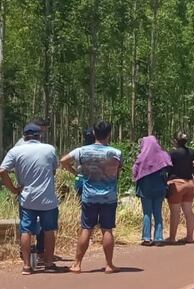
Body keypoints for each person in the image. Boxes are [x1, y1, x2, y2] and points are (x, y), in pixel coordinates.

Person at [60, 121, 122, 274]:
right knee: (107, 230)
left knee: (86, 229)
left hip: (89, 196)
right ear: (109, 134)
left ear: (94, 133)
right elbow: (118, 172)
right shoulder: (116, 153)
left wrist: (76, 173)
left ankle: (77, 264)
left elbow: (63, 161)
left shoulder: (81, 151)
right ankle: (109, 264)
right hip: (109, 196)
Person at [0, 123, 59, 275]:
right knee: (48, 230)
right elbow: (53, 170)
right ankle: (48, 262)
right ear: (39, 135)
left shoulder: (16, 151)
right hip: (48, 199)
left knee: (26, 230)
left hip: (27, 198)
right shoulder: (49, 149)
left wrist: (13, 189)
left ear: (24, 136)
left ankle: (26, 266)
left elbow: (2, 170)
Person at [14, 118, 50, 263]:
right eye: (44, 129)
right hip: (34, 191)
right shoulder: (24, 146)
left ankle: (33, 254)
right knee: (36, 224)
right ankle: (35, 254)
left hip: (26, 191)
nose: (45, 132)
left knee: (29, 225)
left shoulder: (19, 146)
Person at [133, 136, 171, 246]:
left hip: (145, 189)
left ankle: (146, 238)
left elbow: (134, 173)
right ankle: (159, 238)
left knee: (147, 213)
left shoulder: (141, 157)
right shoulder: (164, 155)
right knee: (158, 212)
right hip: (160, 189)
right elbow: (168, 168)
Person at [166, 132, 194, 244]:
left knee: (175, 212)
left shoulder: (172, 153)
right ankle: (190, 237)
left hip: (176, 184)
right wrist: (192, 166)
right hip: (190, 184)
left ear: (175, 141)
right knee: (188, 211)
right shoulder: (191, 152)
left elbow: (164, 165)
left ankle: (172, 238)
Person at [74, 128, 96, 200]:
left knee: (80, 202)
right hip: (94, 179)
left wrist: (74, 172)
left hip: (80, 178)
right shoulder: (100, 151)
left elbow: (63, 161)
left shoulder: (79, 150)